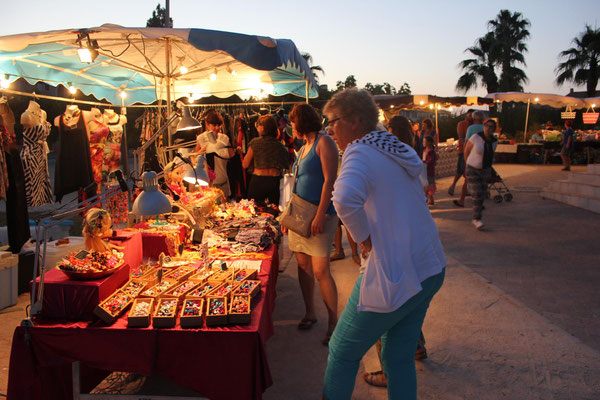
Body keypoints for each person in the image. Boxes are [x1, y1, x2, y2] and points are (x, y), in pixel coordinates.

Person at [322, 88, 446, 400]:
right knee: (397, 355)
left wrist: (364, 240)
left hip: (397, 271)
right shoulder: (394, 149)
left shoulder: (360, 151)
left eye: (333, 122)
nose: (330, 130)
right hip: (429, 266)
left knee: (342, 349)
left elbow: (344, 198)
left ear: (354, 121)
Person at [284, 103, 339, 345]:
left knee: (320, 270)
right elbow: (296, 183)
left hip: (320, 215)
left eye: (292, 121)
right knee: (303, 267)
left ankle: (334, 321)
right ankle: (310, 312)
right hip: (299, 214)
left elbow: (330, 180)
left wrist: (319, 215)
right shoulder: (303, 147)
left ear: (302, 121)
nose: (290, 126)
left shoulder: (324, 142)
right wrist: (287, 215)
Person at [242, 114, 290, 207]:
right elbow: (285, 164)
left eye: (258, 125)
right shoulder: (280, 145)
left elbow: (245, 164)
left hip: (258, 181)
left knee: (254, 211)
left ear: (263, 127)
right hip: (274, 182)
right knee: (273, 212)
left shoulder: (255, 142)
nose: (256, 127)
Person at [465, 119, 498, 230]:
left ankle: (477, 214)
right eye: (487, 126)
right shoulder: (476, 137)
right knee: (477, 194)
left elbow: (491, 153)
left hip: (485, 169)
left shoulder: (494, 141)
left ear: (494, 129)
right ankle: (477, 219)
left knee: (482, 194)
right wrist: (466, 164)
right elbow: (467, 150)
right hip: (472, 169)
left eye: (491, 127)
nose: (488, 128)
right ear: (483, 126)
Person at [196, 109, 234, 197]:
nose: (217, 128)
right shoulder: (201, 138)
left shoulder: (224, 138)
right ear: (207, 124)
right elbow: (195, 159)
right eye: (214, 125)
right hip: (207, 184)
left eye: (219, 125)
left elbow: (231, 155)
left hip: (223, 181)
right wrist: (202, 151)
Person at [454, 110, 485, 207]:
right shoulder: (486, 128)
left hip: (472, 157)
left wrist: (465, 157)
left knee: (467, 179)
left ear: (474, 118)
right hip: (483, 157)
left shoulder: (471, 128)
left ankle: (462, 200)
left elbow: (466, 143)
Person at [448, 109, 473, 196]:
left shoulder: (474, 125)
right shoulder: (461, 124)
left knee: (469, 171)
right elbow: (461, 137)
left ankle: (467, 189)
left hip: (473, 151)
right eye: (469, 115)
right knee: (460, 169)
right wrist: (467, 147)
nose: (471, 117)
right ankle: (453, 185)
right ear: (466, 115)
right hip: (463, 150)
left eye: (472, 115)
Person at [423, 136, 438, 206]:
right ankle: (430, 200)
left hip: (429, 171)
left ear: (429, 142)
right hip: (425, 170)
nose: (423, 143)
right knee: (426, 185)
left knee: (429, 185)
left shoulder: (431, 152)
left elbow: (431, 161)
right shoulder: (425, 150)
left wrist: (424, 162)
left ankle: (429, 200)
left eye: (425, 141)